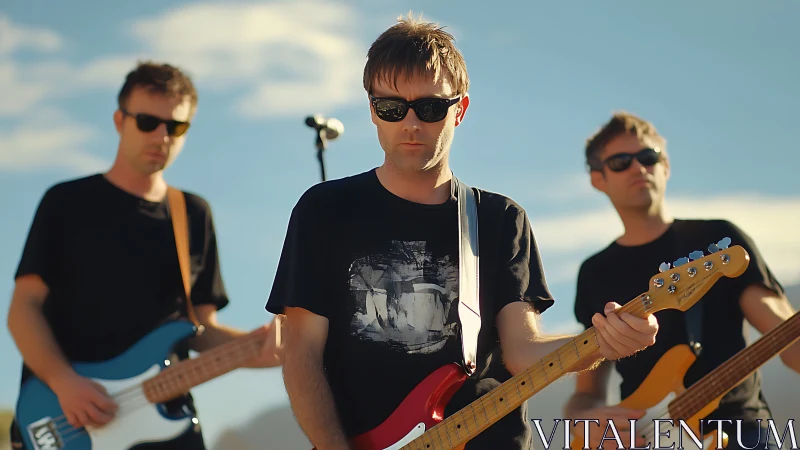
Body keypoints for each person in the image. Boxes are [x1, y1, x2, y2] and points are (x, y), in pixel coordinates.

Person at [265, 16, 659, 450]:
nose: (411, 124)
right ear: (372, 110)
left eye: (431, 108)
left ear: (460, 110)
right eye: (392, 108)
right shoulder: (325, 210)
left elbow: (522, 349)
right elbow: (301, 354)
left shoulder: (498, 218)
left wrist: (605, 341)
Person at [6, 61, 282, 450]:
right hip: (66, 417)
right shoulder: (66, 203)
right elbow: (23, 309)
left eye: (176, 127)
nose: (162, 136)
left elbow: (201, 330)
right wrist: (64, 382)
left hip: (168, 425)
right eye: (148, 122)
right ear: (120, 121)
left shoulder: (193, 214)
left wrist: (275, 347)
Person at [563, 111, 799, 450]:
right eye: (620, 162)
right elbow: (586, 394)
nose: (638, 168)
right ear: (598, 179)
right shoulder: (594, 272)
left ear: (666, 166)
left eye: (648, 157)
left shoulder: (719, 239)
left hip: (740, 434)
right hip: (646, 438)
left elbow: (788, 339)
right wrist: (584, 422)